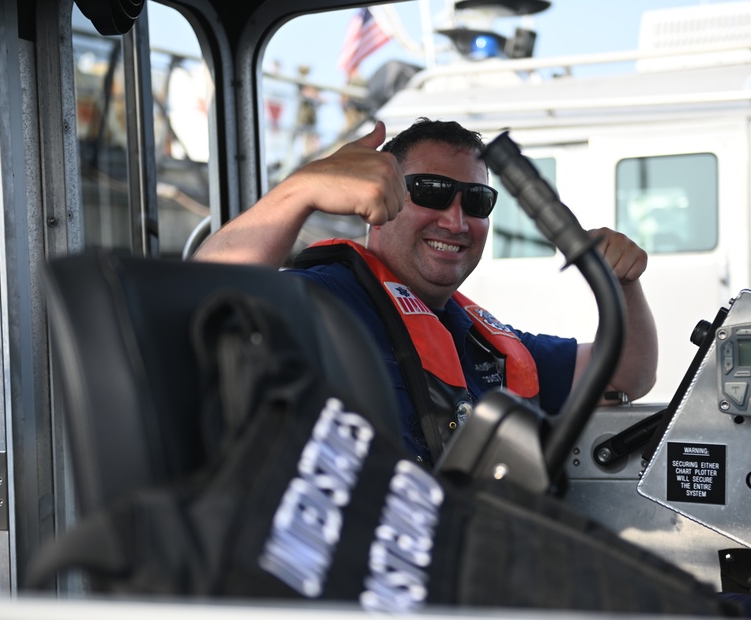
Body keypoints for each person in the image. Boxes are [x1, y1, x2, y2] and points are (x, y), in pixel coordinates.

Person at [194, 118, 657, 465]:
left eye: (475, 201)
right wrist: (300, 191)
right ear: (376, 201)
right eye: (432, 192)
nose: (455, 221)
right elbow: (199, 301)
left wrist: (623, 285)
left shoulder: (478, 336)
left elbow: (626, 375)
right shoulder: (324, 300)